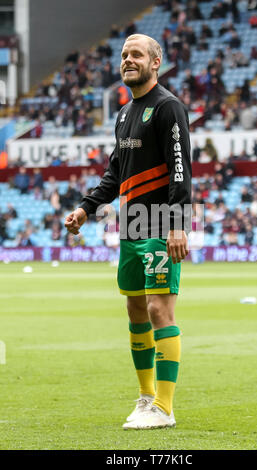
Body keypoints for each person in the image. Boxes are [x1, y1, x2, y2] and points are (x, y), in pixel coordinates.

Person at [64, 34, 192, 430]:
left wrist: (177, 224)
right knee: (135, 309)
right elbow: (115, 173)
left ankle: (165, 408)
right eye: (124, 55)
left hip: (159, 221)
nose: (128, 60)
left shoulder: (169, 107)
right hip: (131, 223)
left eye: (136, 54)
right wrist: (86, 209)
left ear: (156, 62)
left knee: (158, 309)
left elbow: (180, 169)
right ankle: (145, 398)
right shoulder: (123, 114)